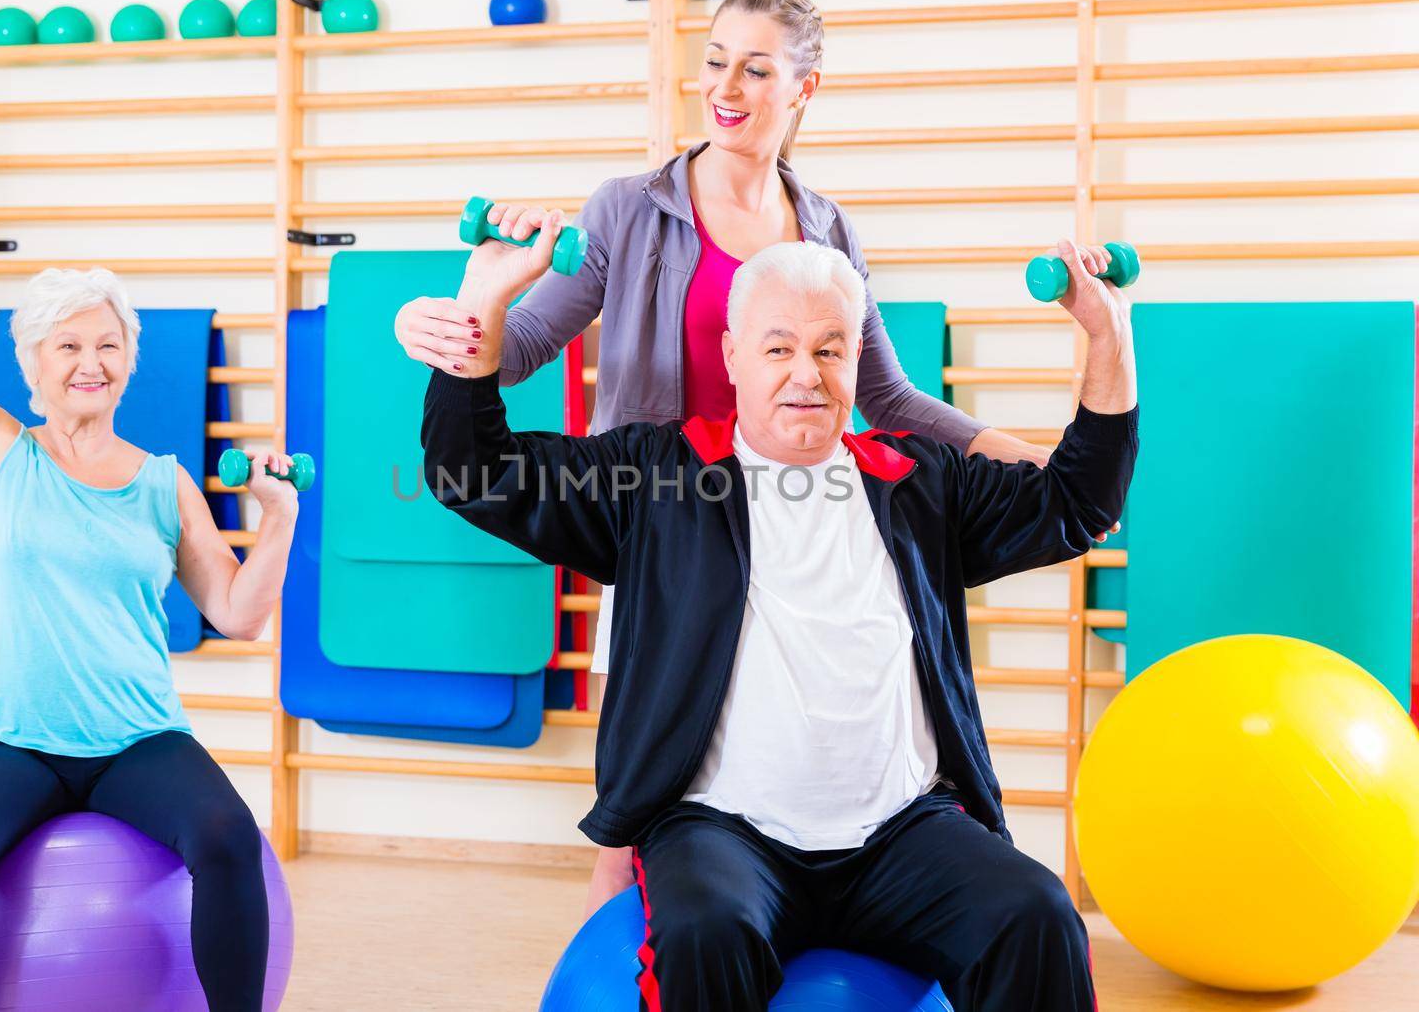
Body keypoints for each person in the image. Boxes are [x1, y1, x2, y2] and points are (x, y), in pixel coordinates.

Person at [393, 0, 1073, 912]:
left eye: (758, 68)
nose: (728, 85)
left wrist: (1018, 456)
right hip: (670, 532)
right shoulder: (629, 209)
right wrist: (446, 322)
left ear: (804, 88)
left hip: (795, 539)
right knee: (629, 822)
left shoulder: (828, 227)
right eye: (716, 61)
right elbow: (519, 346)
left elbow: (885, 394)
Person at [413, 220, 1136, 1008]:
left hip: (904, 833)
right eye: (779, 347)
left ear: (857, 360)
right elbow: (471, 471)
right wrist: (483, 298)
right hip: (724, 833)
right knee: (703, 934)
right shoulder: (659, 477)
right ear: (732, 357)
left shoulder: (918, 481)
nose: (807, 373)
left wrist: (1108, 331)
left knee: (1038, 916)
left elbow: (1078, 503)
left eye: (830, 349)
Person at [0, 144, 299, 1012]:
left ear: (129, 362)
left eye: (108, 343)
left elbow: (237, 611)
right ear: (32, 364)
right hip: (12, 737)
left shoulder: (162, 481)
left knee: (227, 835)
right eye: (67, 344)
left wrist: (280, 521)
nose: (89, 361)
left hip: (136, 737)